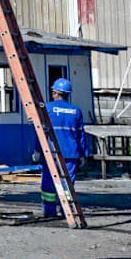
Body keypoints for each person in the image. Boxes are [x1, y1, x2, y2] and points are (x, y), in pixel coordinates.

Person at [42, 76, 91, 218]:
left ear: (55, 93)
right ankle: (66, 210)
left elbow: (41, 132)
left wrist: (38, 150)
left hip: (51, 152)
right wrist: (84, 154)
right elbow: (81, 135)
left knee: (49, 182)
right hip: (71, 153)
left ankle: (49, 211)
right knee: (68, 184)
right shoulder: (76, 111)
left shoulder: (47, 109)